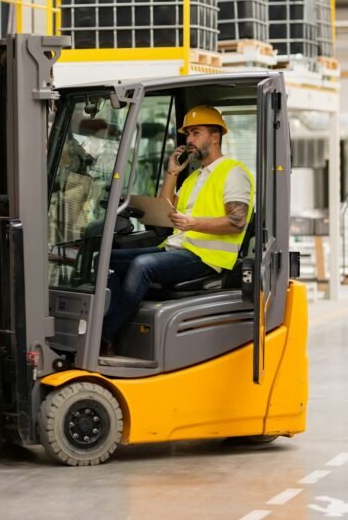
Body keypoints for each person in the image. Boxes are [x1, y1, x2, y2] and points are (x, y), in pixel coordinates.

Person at [100, 106, 254, 354]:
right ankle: (116, 330)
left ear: (215, 137)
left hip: (207, 256)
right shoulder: (194, 177)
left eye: (196, 133)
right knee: (107, 259)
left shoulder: (233, 172)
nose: (189, 140)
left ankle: (104, 336)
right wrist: (172, 172)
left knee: (142, 265)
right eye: (187, 135)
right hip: (179, 247)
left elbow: (237, 221)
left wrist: (193, 223)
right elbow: (166, 211)